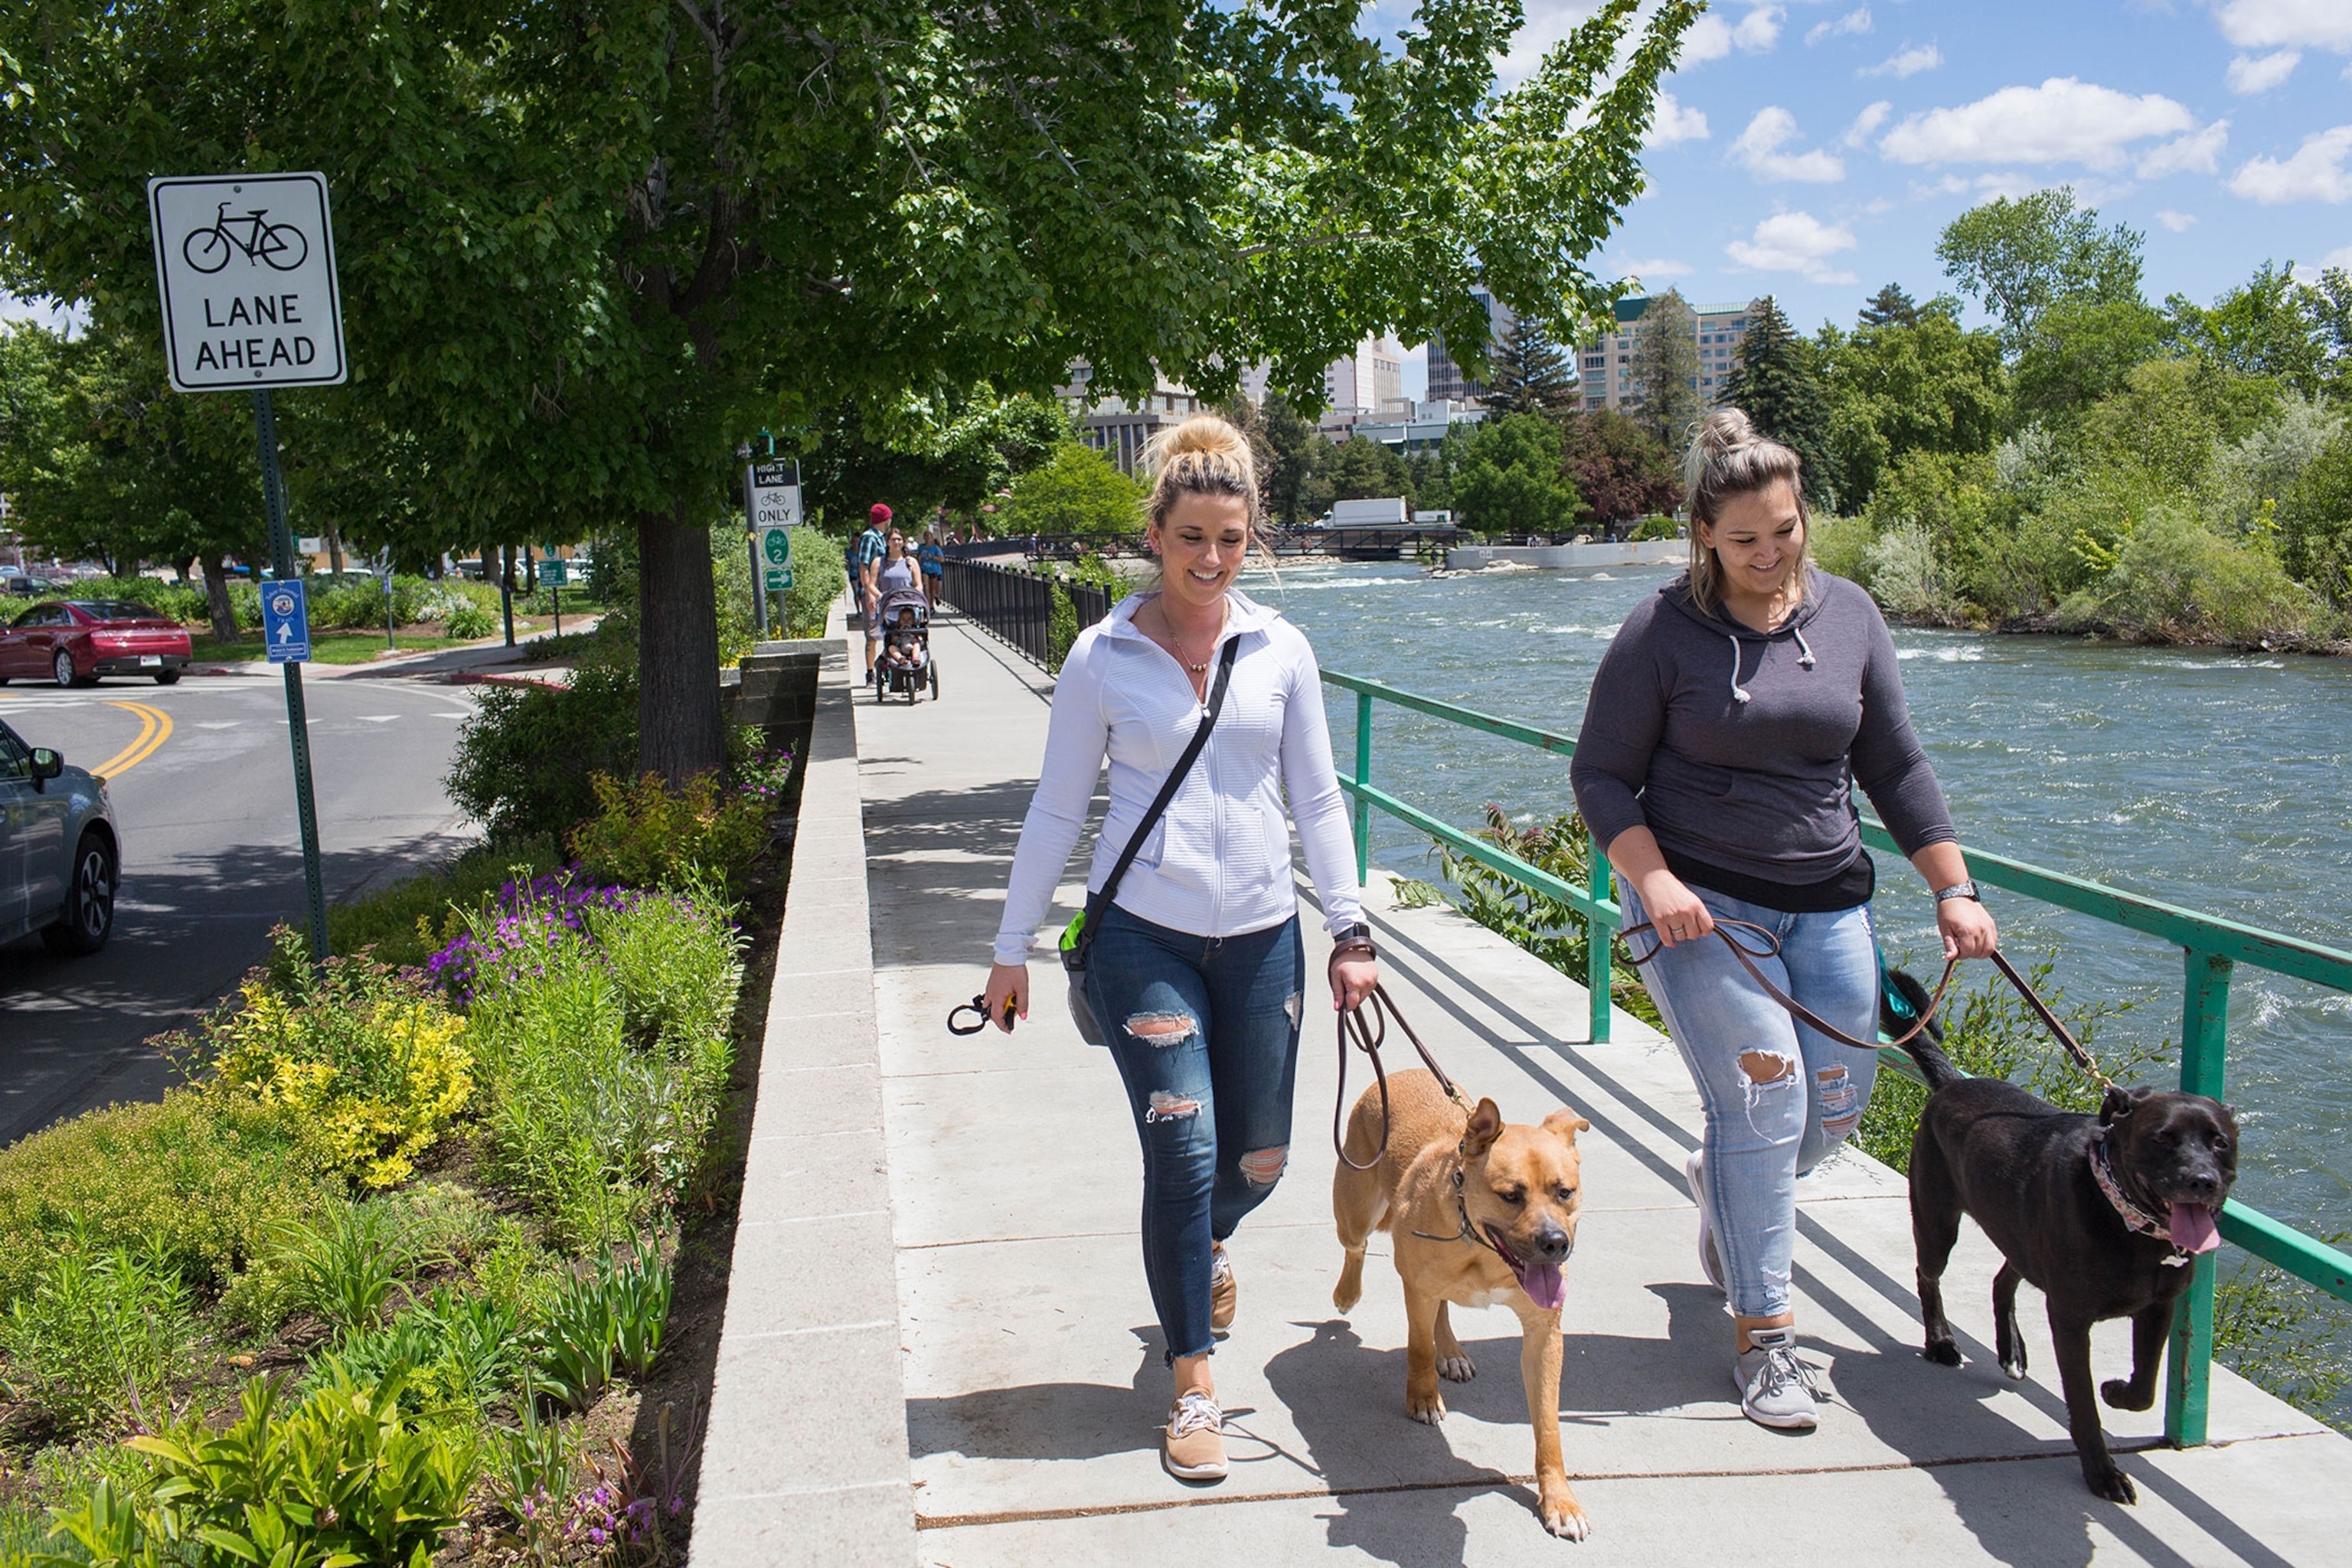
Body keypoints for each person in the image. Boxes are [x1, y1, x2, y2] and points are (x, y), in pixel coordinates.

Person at [1569, 408, 1998, 1434]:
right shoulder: (1663, 631)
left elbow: (1894, 763)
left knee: (1832, 1109)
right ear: (1704, 533)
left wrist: (1953, 885)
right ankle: (1766, 1338)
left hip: (1829, 898)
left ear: (1808, 518)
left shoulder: (1849, 614)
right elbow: (1600, 774)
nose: (1769, 555)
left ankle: (1727, 1187)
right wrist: (1656, 881)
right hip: (1699, 908)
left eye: (1786, 531)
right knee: (1763, 1107)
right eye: (1746, 538)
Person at [983, 414, 1378, 1486]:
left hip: (1260, 939)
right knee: (1186, 1147)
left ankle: (1202, 1247)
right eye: (1192, 536)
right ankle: (1192, 1378)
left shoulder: (1280, 650)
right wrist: (1010, 947)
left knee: (1262, 1157)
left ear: (1253, 541)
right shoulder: (1102, 655)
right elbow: (1059, 809)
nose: (1211, 560)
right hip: (1143, 939)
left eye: (1233, 539)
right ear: (1154, 533)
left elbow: (1319, 798)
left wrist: (1349, 929)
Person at [856, 505, 892, 684]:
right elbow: (863, 567)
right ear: (885, 520)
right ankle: (870, 672)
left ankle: (883, 662)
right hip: (871, 592)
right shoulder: (869, 538)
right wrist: (868, 592)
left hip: (882, 592)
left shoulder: (881, 539)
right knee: (872, 634)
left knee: (890, 630)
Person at [918, 528, 946, 609]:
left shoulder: (935, 548)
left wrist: (932, 557)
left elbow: (942, 559)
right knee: (926, 587)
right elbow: (919, 557)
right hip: (924, 569)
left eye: (929, 536)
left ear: (931, 538)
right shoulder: (921, 547)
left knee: (932, 589)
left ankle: (931, 604)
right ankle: (928, 605)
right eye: (926, 536)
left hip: (934, 570)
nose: (927, 538)